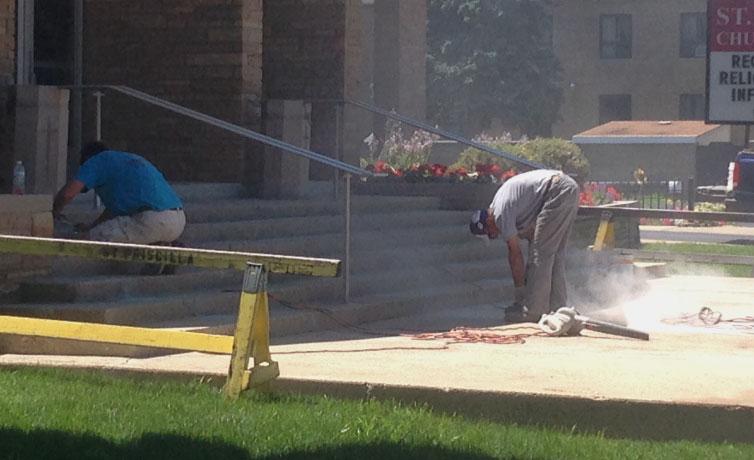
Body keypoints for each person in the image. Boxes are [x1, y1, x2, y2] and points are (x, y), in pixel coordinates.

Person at [469, 169, 579, 322]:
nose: (495, 236)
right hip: (566, 188)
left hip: (556, 191)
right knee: (554, 255)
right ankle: (558, 308)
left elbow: (515, 255)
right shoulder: (503, 205)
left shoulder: (500, 215)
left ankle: (534, 312)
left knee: (540, 254)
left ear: (487, 222)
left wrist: (520, 293)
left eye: (491, 234)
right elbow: (530, 231)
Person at [53, 141, 185, 246]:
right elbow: (113, 212)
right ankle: (162, 247)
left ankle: (156, 247)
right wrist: (92, 226)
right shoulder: (127, 159)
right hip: (178, 220)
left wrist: (54, 212)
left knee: (89, 240)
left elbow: (67, 194)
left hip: (151, 220)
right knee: (124, 229)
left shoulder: (96, 161)